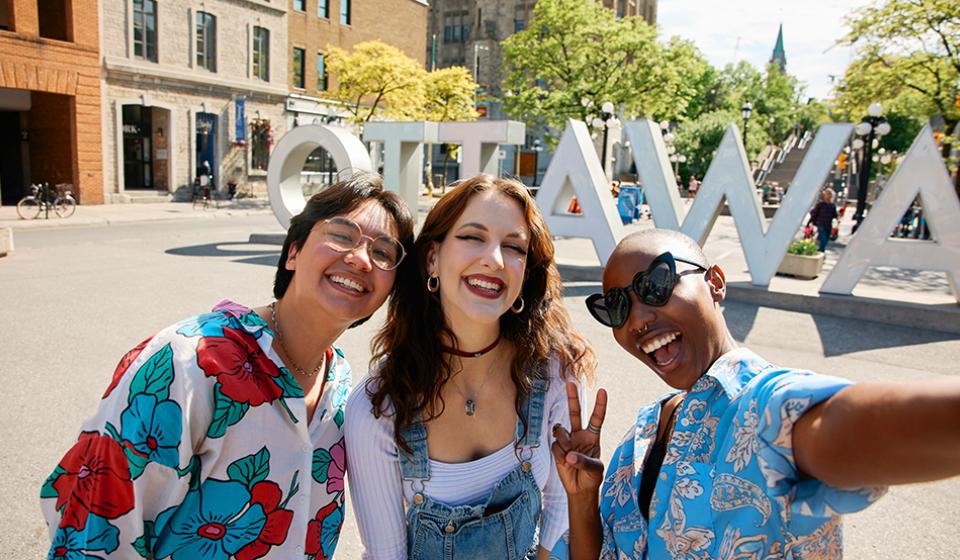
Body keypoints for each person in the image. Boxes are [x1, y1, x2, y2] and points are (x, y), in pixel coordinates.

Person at [40, 173, 414, 559]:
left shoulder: (340, 385)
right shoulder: (186, 362)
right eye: (342, 235)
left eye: (383, 254)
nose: (360, 259)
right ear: (293, 253)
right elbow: (94, 529)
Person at [551, 228, 960, 559]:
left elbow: (869, 429)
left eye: (656, 284)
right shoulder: (642, 434)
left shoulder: (765, 410)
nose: (637, 318)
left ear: (715, 283)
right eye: (618, 307)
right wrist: (582, 498)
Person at [346, 175, 596, 559]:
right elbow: (386, 554)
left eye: (514, 247)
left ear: (526, 272)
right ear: (432, 257)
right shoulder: (378, 405)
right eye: (472, 237)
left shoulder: (555, 373)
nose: (494, 259)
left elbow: (560, 510)